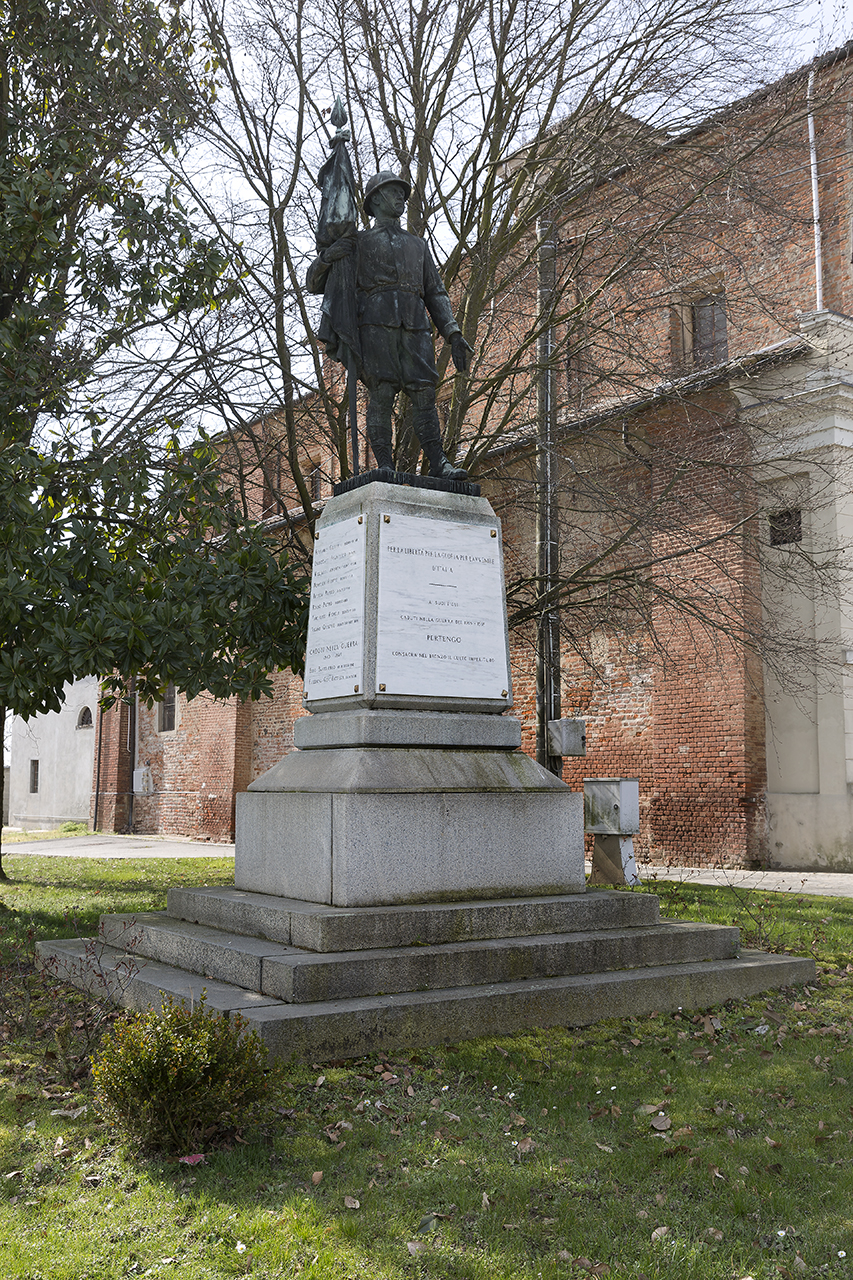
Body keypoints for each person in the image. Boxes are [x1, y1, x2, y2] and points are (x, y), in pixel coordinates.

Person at [307, 170, 472, 480]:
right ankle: (384, 464)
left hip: (415, 328)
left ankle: (439, 463)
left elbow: (435, 292)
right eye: (394, 192)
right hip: (375, 326)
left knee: (424, 395)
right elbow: (314, 283)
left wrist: (452, 331)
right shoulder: (358, 243)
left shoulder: (418, 245)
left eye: (402, 193)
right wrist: (329, 257)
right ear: (376, 199)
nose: (401, 198)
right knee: (381, 395)